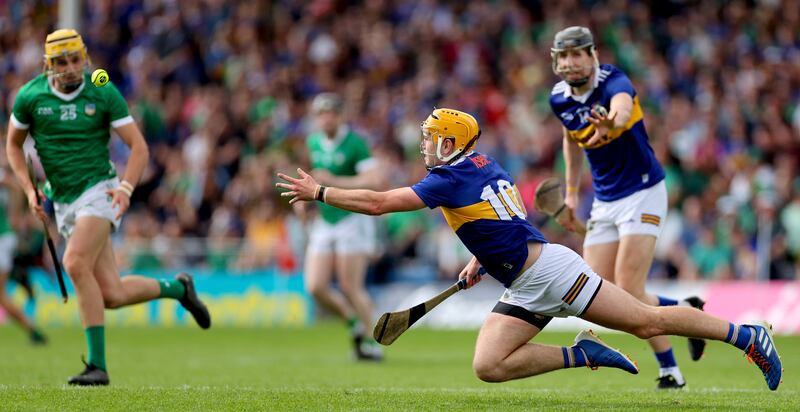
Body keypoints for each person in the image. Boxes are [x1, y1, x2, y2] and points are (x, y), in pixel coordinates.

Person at [277, 108, 782, 391]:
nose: (425, 146)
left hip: (553, 275)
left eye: (432, 139)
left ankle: (746, 336)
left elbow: (381, 201)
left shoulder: (447, 179)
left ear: (452, 143)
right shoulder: (482, 165)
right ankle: (582, 353)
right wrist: (482, 258)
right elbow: (500, 219)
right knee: (489, 365)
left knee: (648, 321)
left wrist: (321, 191)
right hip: (523, 278)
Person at [5, 29, 211, 386]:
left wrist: (127, 187)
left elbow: (139, 148)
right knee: (111, 295)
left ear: (84, 57)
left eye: (75, 60)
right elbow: (13, 146)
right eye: (62, 62)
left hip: (100, 190)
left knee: (74, 262)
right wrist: (28, 190)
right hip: (63, 200)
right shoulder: (30, 96)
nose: (70, 69)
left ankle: (97, 366)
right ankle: (180, 288)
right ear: (47, 65)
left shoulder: (102, 89)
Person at [548, 26, 706, 388]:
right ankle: (686, 309)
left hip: (643, 191)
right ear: (555, 61)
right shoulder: (558, 98)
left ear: (592, 55)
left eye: (577, 54)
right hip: (605, 200)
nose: (570, 63)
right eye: (564, 56)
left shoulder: (613, 81)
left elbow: (620, 111)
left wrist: (611, 122)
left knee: (630, 289)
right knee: (596, 294)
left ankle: (670, 371)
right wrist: (572, 192)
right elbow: (571, 141)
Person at [301, 93, 383, 361]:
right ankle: (353, 322)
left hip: (351, 218)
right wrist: (304, 201)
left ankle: (373, 342)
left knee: (350, 285)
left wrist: (333, 182)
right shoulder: (313, 142)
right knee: (315, 286)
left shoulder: (355, 143)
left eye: (331, 113)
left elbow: (373, 179)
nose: (326, 118)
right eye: (321, 114)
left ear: (339, 115)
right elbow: (314, 180)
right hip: (325, 219)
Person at [0, 164, 46, 344]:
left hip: (2, 238)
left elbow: (13, 184)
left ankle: (31, 328)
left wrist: (15, 215)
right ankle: (31, 329)